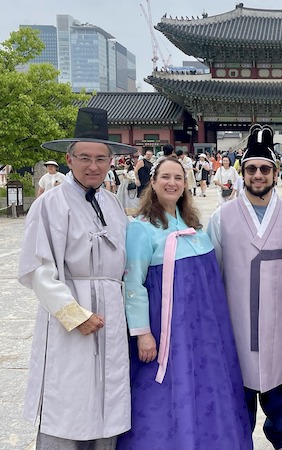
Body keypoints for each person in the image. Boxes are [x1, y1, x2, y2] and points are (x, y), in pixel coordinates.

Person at [18, 107, 137, 449]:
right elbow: (38, 269)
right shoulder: (50, 204)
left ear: (111, 161)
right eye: (85, 157)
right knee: (68, 395)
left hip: (111, 313)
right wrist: (73, 314)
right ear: (69, 159)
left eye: (101, 158)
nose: (93, 166)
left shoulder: (113, 204)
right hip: (70, 312)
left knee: (108, 394)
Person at [117, 156, 252, 449]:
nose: (172, 183)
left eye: (178, 178)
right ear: (152, 183)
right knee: (165, 392)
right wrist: (142, 333)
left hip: (203, 332)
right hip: (166, 333)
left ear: (185, 184)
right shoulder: (141, 229)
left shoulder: (194, 227)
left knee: (205, 387)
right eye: (165, 177)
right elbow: (133, 284)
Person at [208, 124, 282, 450]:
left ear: (275, 173)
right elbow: (216, 268)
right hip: (238, 316)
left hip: (277, 315)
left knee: (279, 373)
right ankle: (238, 438)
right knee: (239, 378)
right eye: (251, 169)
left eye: (265, 169)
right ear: (243, 173)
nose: (258, 175)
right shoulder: (223, 217)